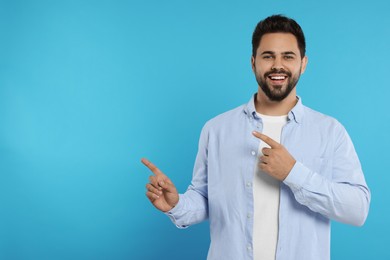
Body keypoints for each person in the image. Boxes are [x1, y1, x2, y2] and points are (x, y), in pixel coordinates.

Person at [141, 14, 370, 260]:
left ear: (303, 63)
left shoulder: (330, 131)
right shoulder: (216, 129)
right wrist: (176, 205)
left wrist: (294, 173)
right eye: (268, 56)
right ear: (253, 63)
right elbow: (205, 199)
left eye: (288, 56)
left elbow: (357, 210)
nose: (277, 65)